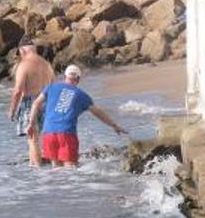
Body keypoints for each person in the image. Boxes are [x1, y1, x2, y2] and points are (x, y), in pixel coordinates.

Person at [28, 64, 127, 167]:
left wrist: (31, 123)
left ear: (65, 76)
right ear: (78, 79)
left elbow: (36, 103)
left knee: (55, 169)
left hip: (48, 132)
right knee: (70, 170)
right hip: (66, 133)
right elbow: (98, 112)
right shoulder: (81, 95)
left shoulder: (51, 87)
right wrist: (114, 125)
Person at [7, 38, 55, 166]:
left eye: (20, 53)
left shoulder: (24, 65)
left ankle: (36, 174)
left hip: (30, 102)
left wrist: (12, 110)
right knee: (41, 137)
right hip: (47, 102)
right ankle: (34, 167)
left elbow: (17, 91)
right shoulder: (47, 64)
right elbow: (53, 87)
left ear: (22, 50)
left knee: (32, 139)